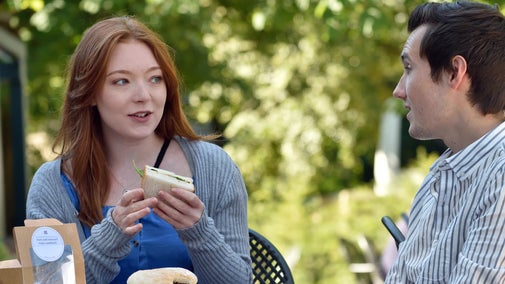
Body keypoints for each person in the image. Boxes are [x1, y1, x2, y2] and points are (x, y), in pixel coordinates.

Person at [26, 16, 252, 283]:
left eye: (155, 79)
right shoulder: (53, 185)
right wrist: (108, 239)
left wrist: (198, 231)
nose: (144, 95)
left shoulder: (214, 168)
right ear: (89, 93)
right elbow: (47, 281)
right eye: (121, 81)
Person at [385, 1, 505, 283]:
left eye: (409, 68)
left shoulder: (501, 178)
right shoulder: (441, 175)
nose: (398, 90)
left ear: (454, 72)